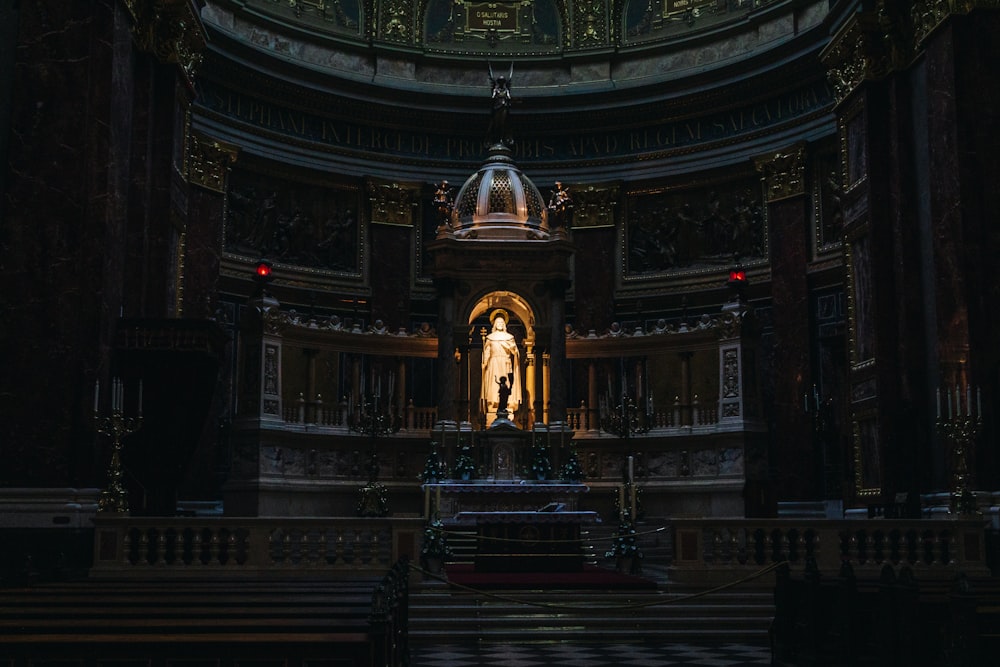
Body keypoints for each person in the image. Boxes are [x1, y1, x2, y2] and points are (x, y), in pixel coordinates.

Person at [482, 310, 521, 421]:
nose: (499, 324)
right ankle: (494, 404)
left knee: (506, 384)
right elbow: (487, 351)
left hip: (505, 362)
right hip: (494, 363)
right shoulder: (490, 337)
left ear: (504, 325)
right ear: (494, 324)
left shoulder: (509, 337)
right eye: (497, 322)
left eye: (501, 322)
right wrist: (484, 362)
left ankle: (506, 405)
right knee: (494, 385)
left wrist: (512, 347)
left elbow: (515, 352)